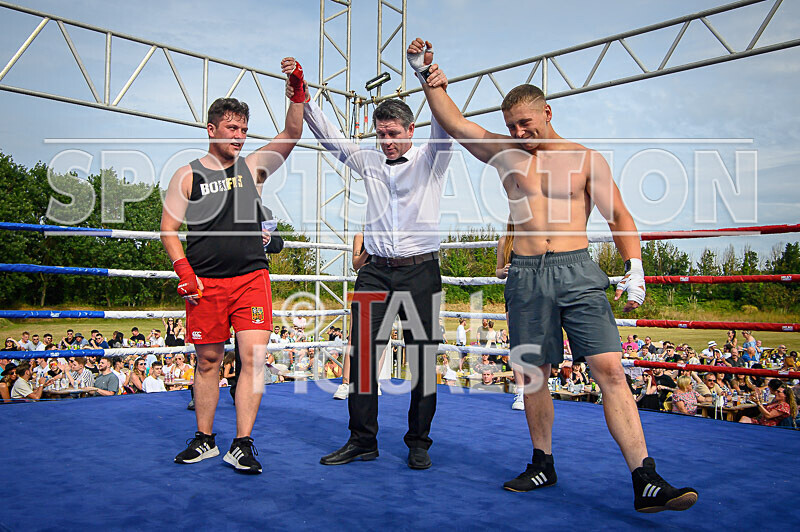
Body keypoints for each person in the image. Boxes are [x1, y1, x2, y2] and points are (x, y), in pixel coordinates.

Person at [413, 37, 696, 512]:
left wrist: (636, 268)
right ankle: (541, 462)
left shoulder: (586, 159)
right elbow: (456, 123)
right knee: (534, 375)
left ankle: (645, 477)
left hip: (578, 269)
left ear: (548, 112)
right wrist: (427, 74)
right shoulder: (506, 154)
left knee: (609, 369)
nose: (520, 132)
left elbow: (619, 216)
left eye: (526, 122)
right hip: (525, 273)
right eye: (511, 125)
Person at [294, 48, 454, 470]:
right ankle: (362, 439)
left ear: (410, 130)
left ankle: (419, 442)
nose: (386, 142)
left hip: (421, 270)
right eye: (380, 134)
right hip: (375, 272)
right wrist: (303, 97)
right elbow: (330, 136)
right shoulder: (369, 159)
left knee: (421, 359)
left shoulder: (432, 158)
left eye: (393, 134)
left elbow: (446, 124)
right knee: (363, 356)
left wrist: (425, 75)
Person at [160, 58, 305, 475]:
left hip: (251, 280)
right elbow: (169, 230)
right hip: (205, 283)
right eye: (232, 129)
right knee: (207, 360)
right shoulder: (186, 176)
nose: (240, 137)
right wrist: (183, 272)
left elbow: (293, 132)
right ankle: (204, 439)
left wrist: (295, 88)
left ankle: (242, 443)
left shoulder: (252, 166)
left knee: (254, 358)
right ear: (212, 130)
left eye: (244, 130)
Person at [332, 232, 370, 400]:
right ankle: (346, 383)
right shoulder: (361, 237)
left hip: (388, 284)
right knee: (354, 336)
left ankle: (372, 382)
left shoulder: (390, 234)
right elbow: (356, 264)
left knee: (381, 338)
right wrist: (369, 250)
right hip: (366, 283)